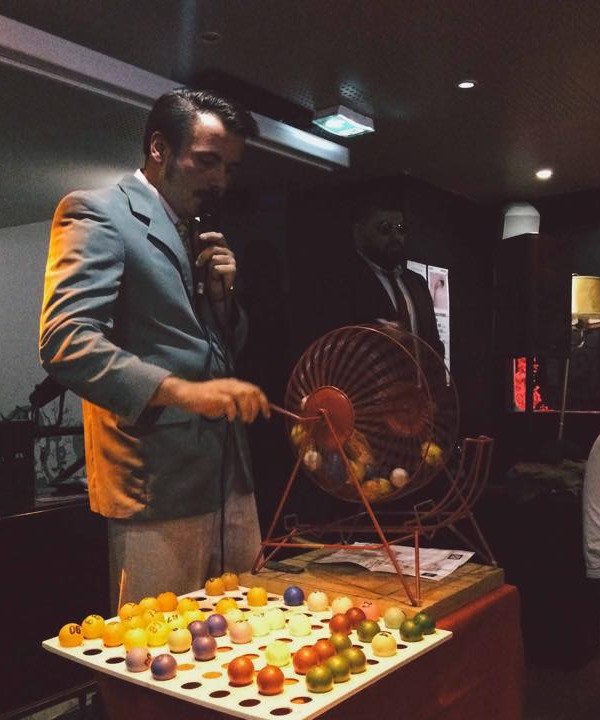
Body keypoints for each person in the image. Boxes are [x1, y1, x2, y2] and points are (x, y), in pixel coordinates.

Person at [39, 88, 270, 610]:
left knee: (246, 635)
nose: (220, 180)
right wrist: (182, 392)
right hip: (157, 484)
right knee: (159, 649)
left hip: (230, 475)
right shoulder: (96, 211)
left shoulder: (195, 229)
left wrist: (224, 301)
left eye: (230, 168)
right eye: (207, 161)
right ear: (159, 148)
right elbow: (65, 340)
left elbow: (218, 348)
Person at [340, 195, 445, 359]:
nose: (395, 236)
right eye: (385, 228)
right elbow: (335, 343)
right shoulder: (343, 283)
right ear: (359, 232)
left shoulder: (417, 283)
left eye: (400, 229)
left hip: (420, 376)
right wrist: (376, 334)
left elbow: (432, 344)